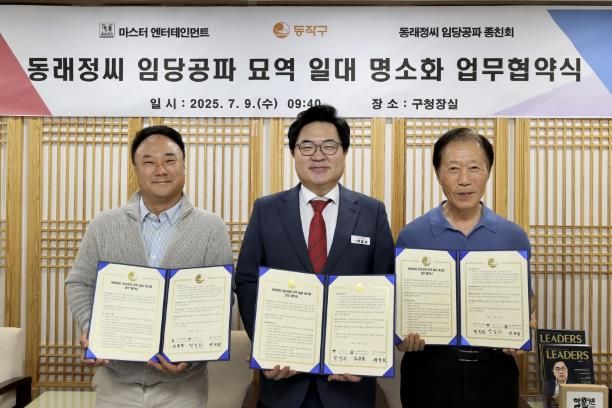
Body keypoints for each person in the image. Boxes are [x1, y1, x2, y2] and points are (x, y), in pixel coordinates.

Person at [235, 104, 395, 408]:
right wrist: (266, 348)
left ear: (344, 152)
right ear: (293, 153)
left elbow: (385, 286)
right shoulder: (266, 210)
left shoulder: (371, 212)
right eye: (307, 146)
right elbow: (247, 282)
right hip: (284, 382)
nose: (318, 156)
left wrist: (366, 356)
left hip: (348, 385)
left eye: (329, 146)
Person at [65, 125, 232, 408]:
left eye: (169, 160)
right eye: (149, 162)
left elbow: (222, 298)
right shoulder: (104, 224)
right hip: (115, 383)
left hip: (182, 388)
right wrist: (92, 327)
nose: (160, 170)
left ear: (184, 165)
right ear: (135, 169)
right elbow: (80, 282)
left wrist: (191, 357)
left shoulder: (211, 227)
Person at [396, 127, 533, 408]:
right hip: (429, 371)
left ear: (488, 172)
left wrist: (524, 329)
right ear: (438, 174)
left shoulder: (512, 237)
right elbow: (399, 308)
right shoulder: (412, 235)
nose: (464, 180)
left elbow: (527, 304)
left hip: (494, 372)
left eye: (474, 168)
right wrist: (400, 337)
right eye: (453, 169)